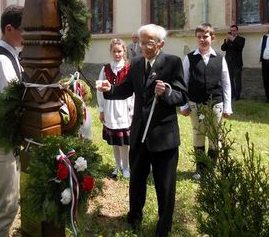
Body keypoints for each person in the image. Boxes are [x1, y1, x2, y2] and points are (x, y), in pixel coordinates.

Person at [97, 24, 187, 237]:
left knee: (165, 186)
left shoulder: (172, 63)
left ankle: (163, 227)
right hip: (139, 134)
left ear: (160, 44)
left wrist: (167, 92)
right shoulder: (136, 64)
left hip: (163, 138)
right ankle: (134, 217)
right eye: (140, 42)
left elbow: (182, 96)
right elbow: (126, 89)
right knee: (136, 181)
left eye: (149, 42)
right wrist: (110, 89)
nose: (143, 47)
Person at [0, 4, 23, 237]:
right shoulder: (0, 61)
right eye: (25, 29)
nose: (28, 35)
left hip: (7, 142)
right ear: (9, 28)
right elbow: (10, 106)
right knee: (5, 209)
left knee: (9, 205)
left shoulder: (11, 57)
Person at [181, 23, 232, 180]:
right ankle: (200, 167)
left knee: (215, 136)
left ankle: (211, 168)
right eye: (199, 37)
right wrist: (184, 104)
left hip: (216, 104)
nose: (202, 40)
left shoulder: (220, 59)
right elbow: (183, 82)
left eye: (205, 36)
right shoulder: (190, 58)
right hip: (195, 105)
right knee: (198, 134)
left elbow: (226, 83)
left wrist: (227, 106)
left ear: (213, 38)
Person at [97, 38, 134, 179]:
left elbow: (134, 92)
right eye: (114, 51)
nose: (117, 54)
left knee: (124, 142)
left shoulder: (129, 68)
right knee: (115, 141)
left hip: (124, 108)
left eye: (119, 51)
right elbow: (100, 90)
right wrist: (101, 109)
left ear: (124, 51)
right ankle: (117, 165)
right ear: (111, 52)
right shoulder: (105, 69)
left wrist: (132, 111)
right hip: (110, 108)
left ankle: (126, 167)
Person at [221, 24, 245, 100]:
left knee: (237, 80)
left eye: (234, 30)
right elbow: (223, 48)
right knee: (229, 79)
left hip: (237, 63)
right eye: (231, 30)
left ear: (237, 31)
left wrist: (232, 39)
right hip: (228, 63)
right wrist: (226, 41)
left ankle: (237, 96)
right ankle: (231, 95)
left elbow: (239, 47)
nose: (232, 32)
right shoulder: (228, 39)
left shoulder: (241, 39)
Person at [259, 25, 269, 103]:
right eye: (268, 28)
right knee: (265, 79)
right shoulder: (264, 37)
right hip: (265, 62)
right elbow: (261, 48)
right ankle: (267, 97)